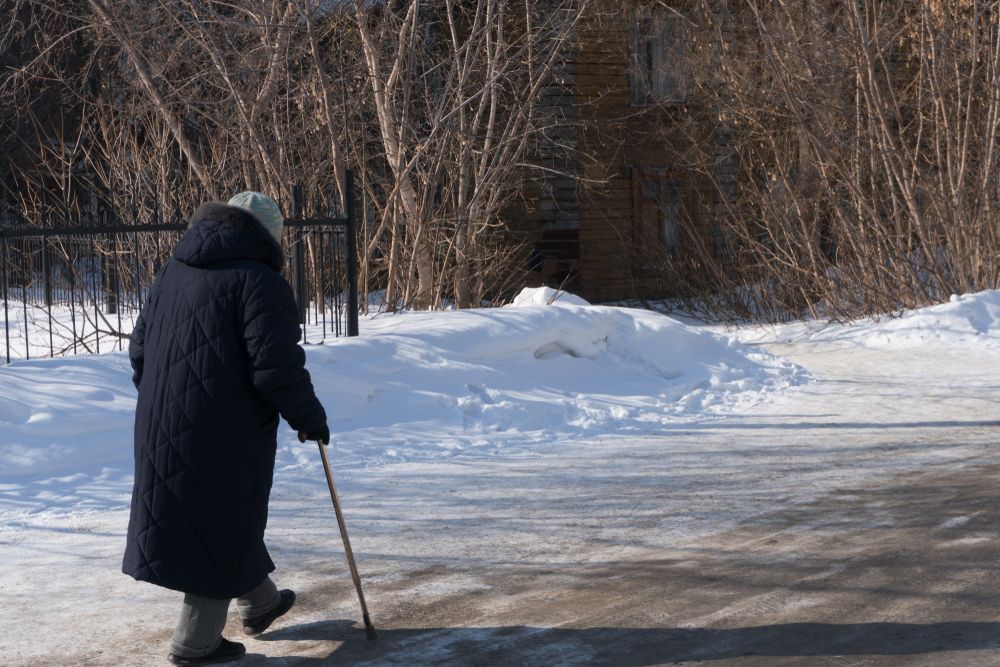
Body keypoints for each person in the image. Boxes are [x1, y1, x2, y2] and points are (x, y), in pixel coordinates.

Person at [123, 191, 330, 665]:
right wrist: (310, 418)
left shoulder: (175, 270)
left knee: (221, 516)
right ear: (267, 237)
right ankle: (194, 645)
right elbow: (275, 369)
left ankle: (261, 603)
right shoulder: (260, 283)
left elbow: (140, 349)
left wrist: (166, 399)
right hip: (225, 429)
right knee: (217, 523)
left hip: (162, 420)